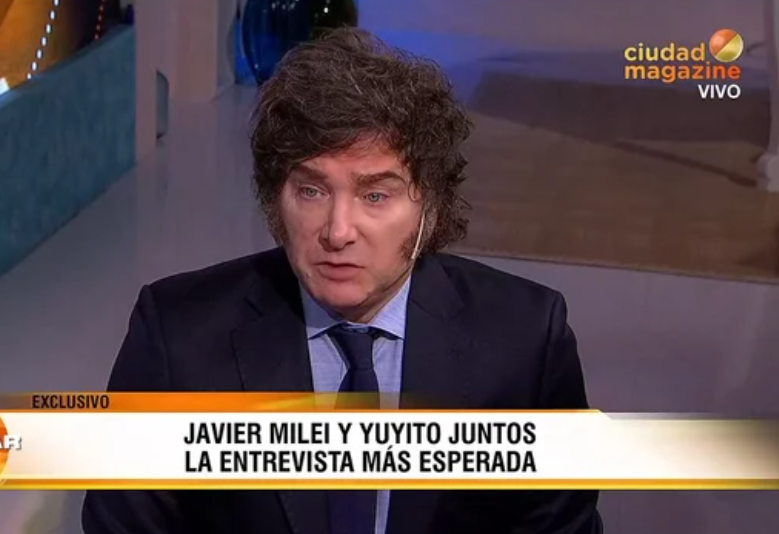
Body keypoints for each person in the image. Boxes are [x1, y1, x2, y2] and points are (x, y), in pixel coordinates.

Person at [82, 27, 602, 534]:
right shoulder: (178, 337)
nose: (337, 232)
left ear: (431, 207)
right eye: (312, 191)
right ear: (275, 199)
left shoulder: (526, 339)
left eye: (375, 196)